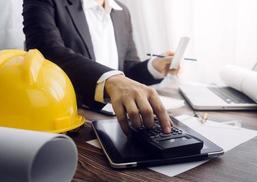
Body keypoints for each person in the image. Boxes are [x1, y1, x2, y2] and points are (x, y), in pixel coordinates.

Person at [23, 0, 180, 134]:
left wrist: (154, 67)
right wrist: (111, 80)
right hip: (71, 122)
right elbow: (47, 52)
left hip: (114, 120)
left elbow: (127, 70)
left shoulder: (122, 12)